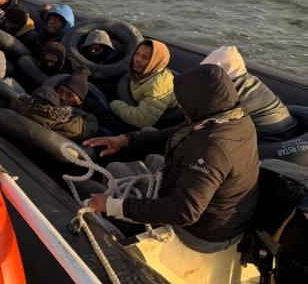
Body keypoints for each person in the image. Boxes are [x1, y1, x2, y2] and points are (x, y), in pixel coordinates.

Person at [84, 65, 259, 283]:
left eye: (184, 101)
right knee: (153, 160)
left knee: (116, 170)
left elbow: (184, 211)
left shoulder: (212, 148)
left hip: (203, 233)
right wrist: (126, 140)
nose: (181, 106)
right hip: (226, 214)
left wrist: (110, 205)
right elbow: (177, 134)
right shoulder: (234, 117)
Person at [202, 46, 298, 141]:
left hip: (273, 137)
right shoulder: (251, 80)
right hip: (290, 127)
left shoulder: (230, 93)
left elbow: (210, 119)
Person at [109, 39, 178, 128]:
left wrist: (113, 105)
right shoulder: (146, 71)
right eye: (137, 54)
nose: (138, 59)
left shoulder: (156, 87)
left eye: (145, 57)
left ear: (155, 61)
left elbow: (143, 120)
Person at [10, 85, 99, 142]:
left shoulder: (18, 105)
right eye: (60, 91)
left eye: (69, 95)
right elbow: (91, 125)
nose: (62, 97)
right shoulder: (66, 127)